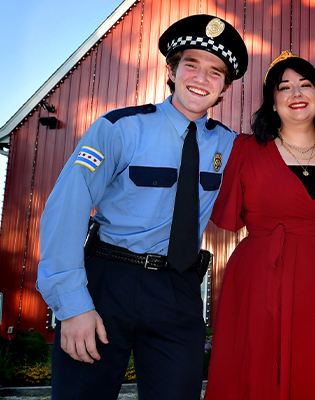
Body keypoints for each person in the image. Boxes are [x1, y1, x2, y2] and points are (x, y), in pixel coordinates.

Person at [36, 14, 248, 400]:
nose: (201, 79)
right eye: (191, 65)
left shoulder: (230, 147)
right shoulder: (119, 128)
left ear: (225, 88)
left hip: (177, 289)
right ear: (171, 69)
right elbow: (66, 209)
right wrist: (72, 305)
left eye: (215, 73)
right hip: (106, 281)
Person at [203, 51, 315, 399]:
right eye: (284, 88)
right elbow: (222, 215)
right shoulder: (244, 149)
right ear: (272, 100)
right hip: (259, 281)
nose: (296, 94)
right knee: (257, 374)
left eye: (305, 85)